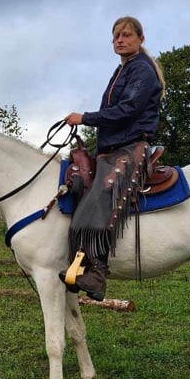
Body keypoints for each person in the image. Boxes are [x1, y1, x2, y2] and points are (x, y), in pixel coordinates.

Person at [60, 16, 166, 300]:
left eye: (127, 35)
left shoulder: (141, 70)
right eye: (116, 36)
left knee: (100, 196)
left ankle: (96, 271)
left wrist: (85, 118)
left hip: (130, 147)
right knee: (82, 188)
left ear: (141, 39)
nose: (120, 40)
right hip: (111, 148)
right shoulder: (122, 70)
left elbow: (128, 110)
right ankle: (81, 260)